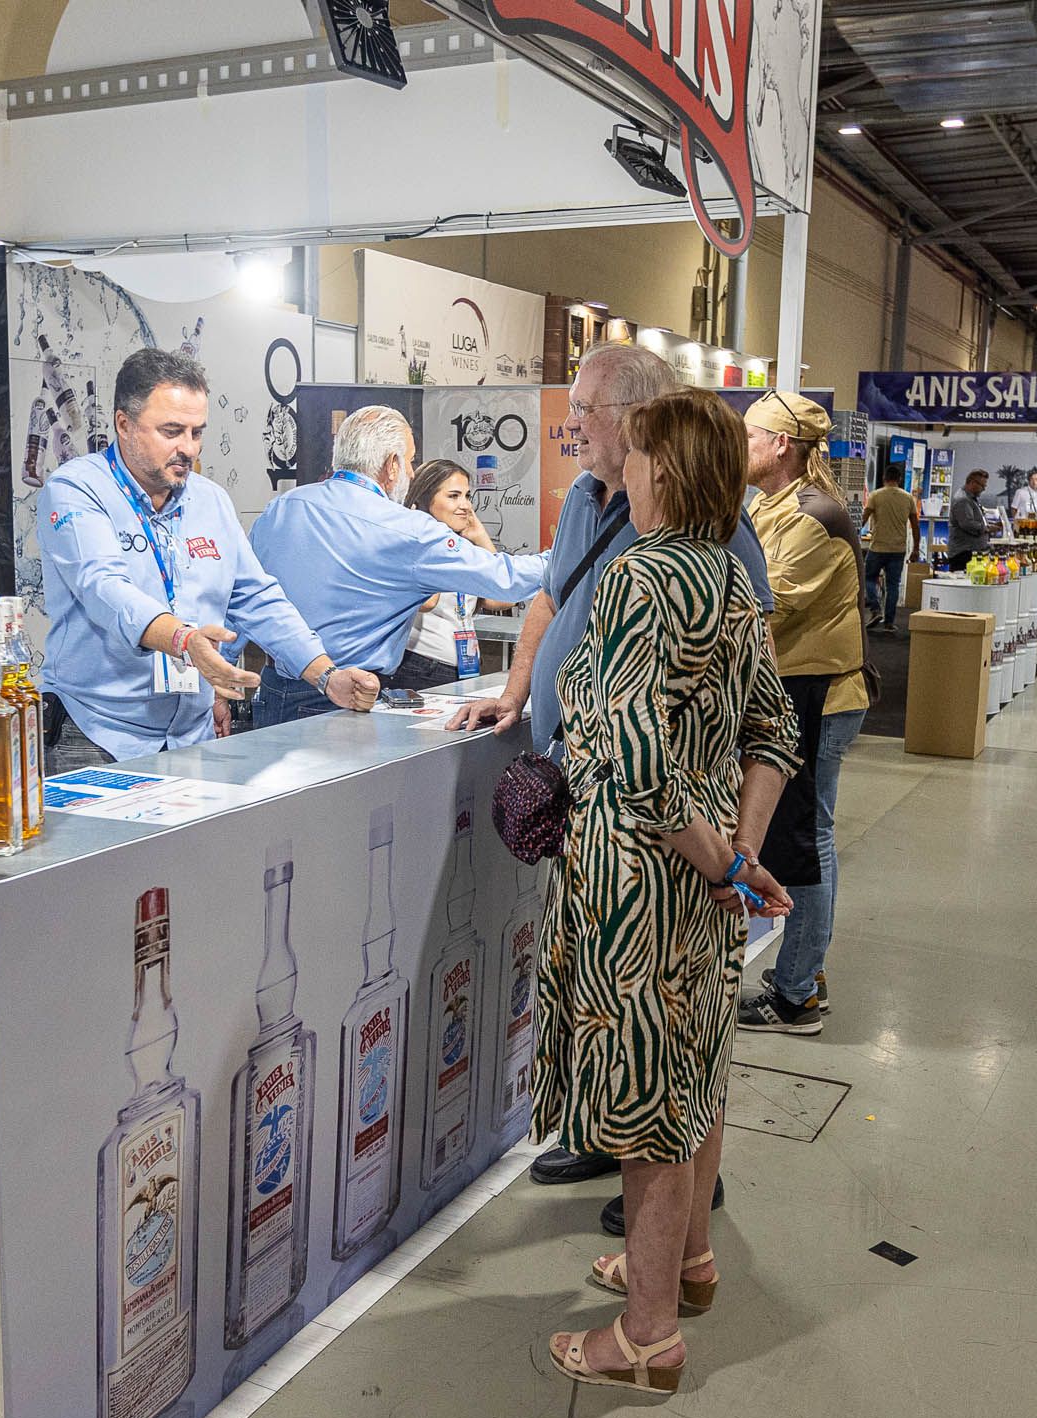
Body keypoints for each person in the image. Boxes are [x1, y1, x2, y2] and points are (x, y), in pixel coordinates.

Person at [445, 342, 772, 1198]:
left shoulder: (707, 538)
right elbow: (551, 599)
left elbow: (723, 710)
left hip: (648, 836)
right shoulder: (590, 503)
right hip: (602, 812)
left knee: (654, 1019)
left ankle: (669, 1204)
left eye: (585, 411)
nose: (574, 428)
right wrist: (519, 692)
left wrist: (732, 854)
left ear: (636, 424)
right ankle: (619, 1149)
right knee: (627, 1017)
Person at [538, 387, 800, 1398]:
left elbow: (635, 762)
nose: (624, 472)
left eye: (637, 456)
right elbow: (773, 730)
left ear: (664, 468)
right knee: (693, 1073)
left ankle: (643, 1336)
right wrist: (738, 849)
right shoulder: (730, 580)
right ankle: (685, 1262)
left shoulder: (641, 579)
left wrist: (718, 858)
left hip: (639, 881)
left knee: (646, 1104)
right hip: (699, 885)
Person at [37, 347, 379, 770]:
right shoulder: (76, 489)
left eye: (197, 432)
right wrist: (184, 641)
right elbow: (104, 589)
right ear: (123, 424)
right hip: (97, 734)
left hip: (190, 737)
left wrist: (327, 676)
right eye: (172, 431)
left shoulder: (211, 500)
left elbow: (257, 599)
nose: (188, 448)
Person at [244, 415, 545, 726]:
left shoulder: (281, 508)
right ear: (391, 465)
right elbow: (505, 579)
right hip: (343, 696)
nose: (412, 472)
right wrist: (570, 554)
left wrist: (219, 689)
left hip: (272, 689)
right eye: (410, 461)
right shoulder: (405, 529)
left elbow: (243, 597)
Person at [736, 389, 869, 1036]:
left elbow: (769, 601)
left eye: (749, 434)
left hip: (819, 695)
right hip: (800, 689)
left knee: (807, 839)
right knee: (801, 835)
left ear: (780, 444)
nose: (740, 446)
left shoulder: (814, 515)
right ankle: (803, 970)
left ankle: (795, 995)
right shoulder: (772, 505)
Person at [393, 460, 529, 691]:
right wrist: (429, 536)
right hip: (420, 665)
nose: (465, 505)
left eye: (467, 496)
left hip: (465, 667)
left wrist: (480, 536)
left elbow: (504, 596)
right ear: (425, 499)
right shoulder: (408, 544)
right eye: (454, 496)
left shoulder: (462, 548)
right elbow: (428, 602)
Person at [862, 461, 919, 634]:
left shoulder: (875, 495)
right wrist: (915, 549)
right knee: (893, 585)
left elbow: (863, 519)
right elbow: (915, 525)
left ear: (884, 478)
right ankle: (889, 622)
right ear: (899, 479)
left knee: (868, 578)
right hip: (898, 548)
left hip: (878, 547)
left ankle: (875, 608)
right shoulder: (908, 498)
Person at [947, 468, 991, 571]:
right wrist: (986, 528)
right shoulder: (962, 499)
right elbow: (967, 524)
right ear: (972, 483)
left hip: (969, 552)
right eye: (982, 486)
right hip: (963, 554)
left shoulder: (970, 498)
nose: (984, 489)